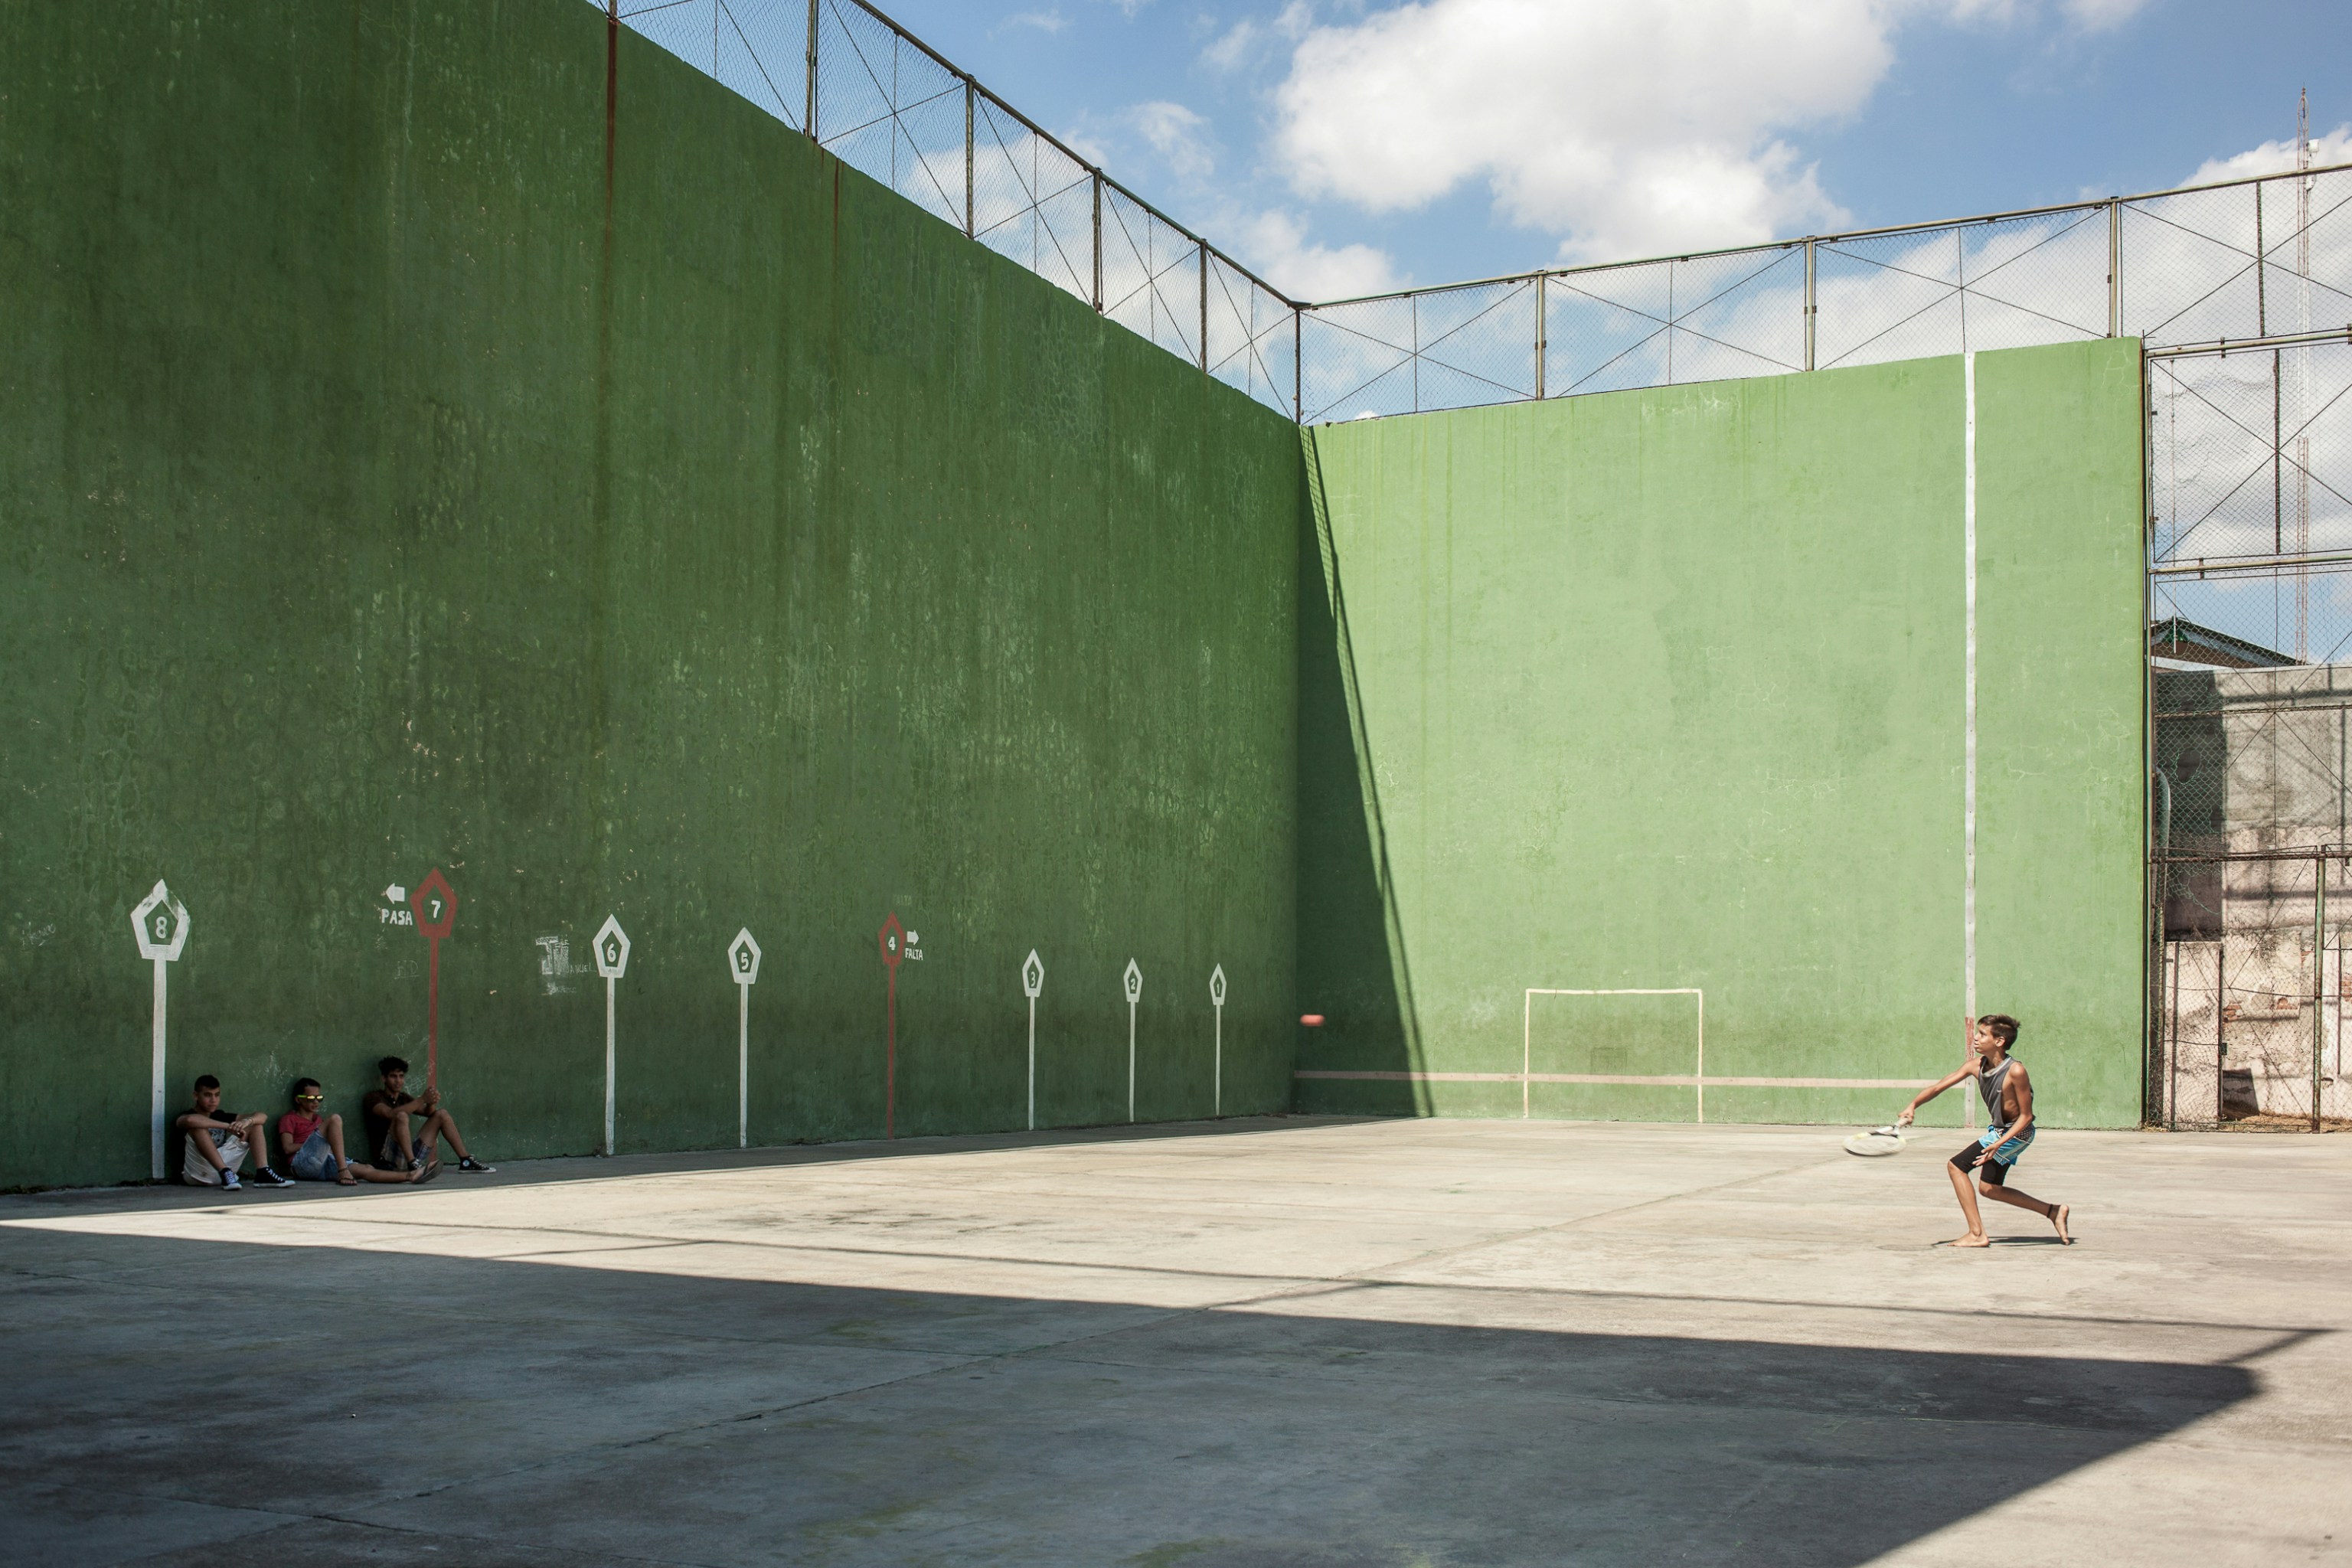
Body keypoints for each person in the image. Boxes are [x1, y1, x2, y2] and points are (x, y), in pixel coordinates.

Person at [1897, 1014, 2072, 1248]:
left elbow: (2026, 1117)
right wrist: (1913, 1105)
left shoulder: (2016, 1071)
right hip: (1999, 1130)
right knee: (1989, 1189)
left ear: (1999, 1041)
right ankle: (2053, 1211)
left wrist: (1999, 1143)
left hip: (2016, 1132)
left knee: (1957, 1166)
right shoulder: (1975, 1066)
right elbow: (1939, 1086)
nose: (1975, 1038)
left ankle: (1977, 1234)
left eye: (1982, 1034)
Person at [279, 1079, 431, 1186]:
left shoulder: (318, 1120)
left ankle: (411, 1176)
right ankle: (343, 1170)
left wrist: (326, 1147)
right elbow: (287, 1148)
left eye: (319, 1097)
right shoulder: (289, 1119)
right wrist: (321, 1143)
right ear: (299, 1100)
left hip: (325, 1163)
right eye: (311, 1098)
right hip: (302, 1164)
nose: (316, 1102)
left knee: (367, 1170)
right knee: (335, 1119)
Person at [363, 1057, 493, 1173]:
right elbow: (390, 1114)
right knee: (401, 1116)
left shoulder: (404, 1098)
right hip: (388, 1159)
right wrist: (422, 1099)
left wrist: (431, 1102)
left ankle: (466, 1160)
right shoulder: (374, 1097)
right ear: (384, 1078)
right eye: (393, 1076)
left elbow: (428, 1113)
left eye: (401, 1076)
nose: (398, 1081)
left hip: (410, 1155)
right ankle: (412, 1165)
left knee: (442, 1114)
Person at [172, 1076, 292, 1189]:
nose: (213, 1100)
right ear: (196, 1096)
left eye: (217, 1095)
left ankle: (263, 1173)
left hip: (228, 1176)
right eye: (208, 1095)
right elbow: (190, 1120)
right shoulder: (186, 1115)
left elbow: (262, 1116)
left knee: (255, 1125)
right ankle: (224, 1171)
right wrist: (228, 1126)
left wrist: (247, 1121)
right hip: (197, 1174)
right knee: (199, 1128)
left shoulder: (220, 1115)